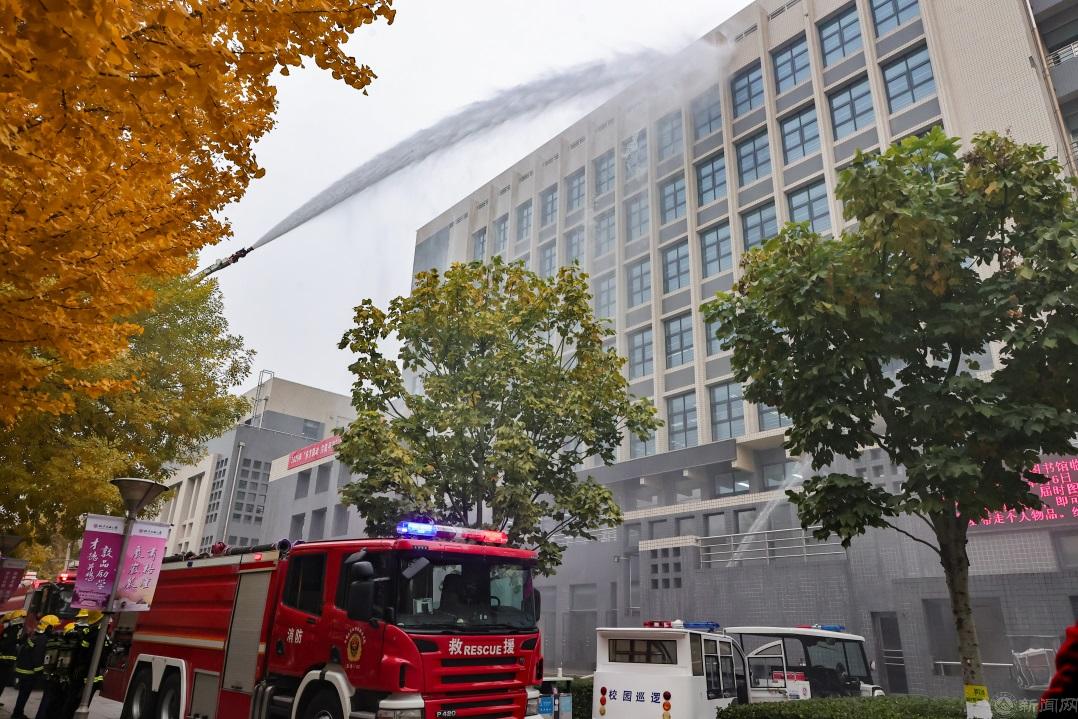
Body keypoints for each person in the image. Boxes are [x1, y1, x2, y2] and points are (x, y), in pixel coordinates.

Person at [59, 610, 109, 719]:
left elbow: (80, 654)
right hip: (86, 677)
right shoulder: (98, 635)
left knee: (71, 703)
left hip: (79, 674)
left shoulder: (87, 632)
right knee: (75, 704)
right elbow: (95, 657)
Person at [11, 614, 59, 719]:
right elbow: (38, 657)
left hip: (23, 669)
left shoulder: (35, 635)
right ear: (48, 627)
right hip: (29, 672)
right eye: (53, 627)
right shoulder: (42, 639)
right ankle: (17, 715)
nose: (53, 630)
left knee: (22, 695)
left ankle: (17, 713)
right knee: (24, 695)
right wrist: (40, 672)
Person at [0, 610, 25, 692]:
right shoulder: (11, 630)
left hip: (8, 661)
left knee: (3, 682)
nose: (23, 620)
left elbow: (14, 642)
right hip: (5, 661)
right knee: (1, 681)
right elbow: (5, 644)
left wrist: (21, 640)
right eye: (22, 618)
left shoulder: (15, 630)